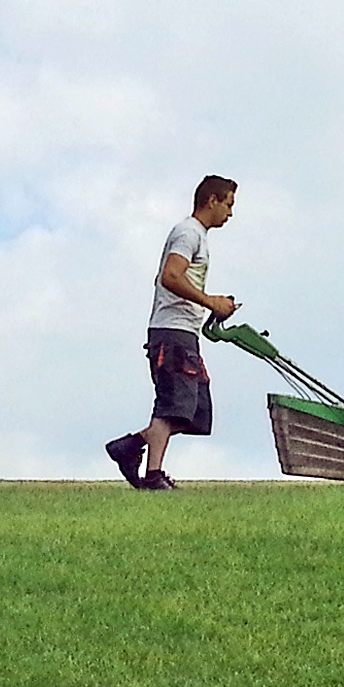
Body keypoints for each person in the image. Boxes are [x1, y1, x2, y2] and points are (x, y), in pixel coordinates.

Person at [108, 176, 238, 489]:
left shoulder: (198, 237)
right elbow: (170, 276)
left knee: (195, 412)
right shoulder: (187, 233)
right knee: (173, 405)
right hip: (172, 331)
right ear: (212, 201)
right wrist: (211, 302)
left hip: (186, 332)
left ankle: (129, 447)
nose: (230, 213)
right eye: (228, 204)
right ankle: (153, 476)